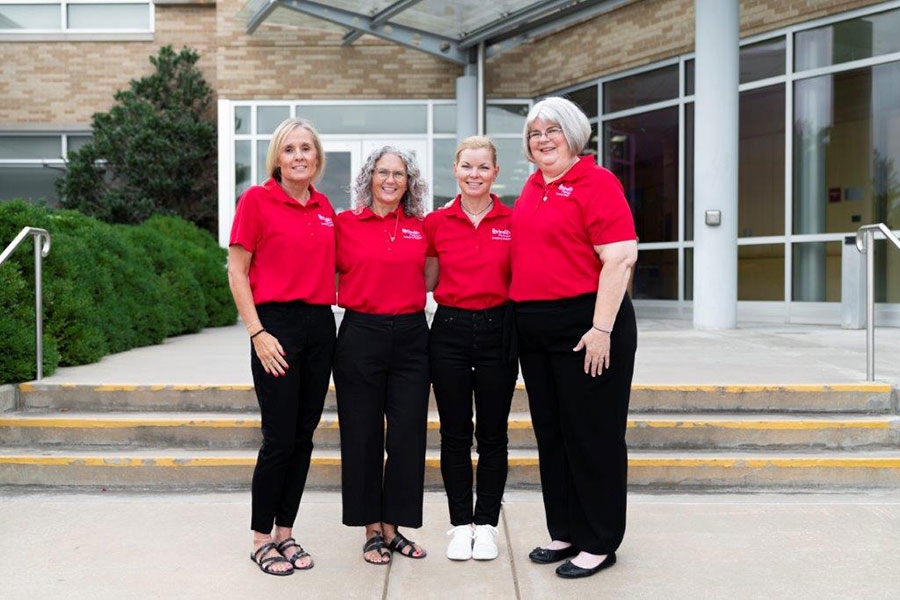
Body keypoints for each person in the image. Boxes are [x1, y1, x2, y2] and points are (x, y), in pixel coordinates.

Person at [511, 97, 638, 579]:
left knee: (593, 436)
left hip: (588, 326)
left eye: (552, 131)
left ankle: (600, 540)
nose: (542, 140)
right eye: (534, 133)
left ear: (573, 133)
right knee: (554, 436)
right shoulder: (531, 187)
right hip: (537, 331)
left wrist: (601, 329)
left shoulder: (596, 181)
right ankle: (565, 530)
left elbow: (620, 257)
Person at [227, 117, 336, 576]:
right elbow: (236, 270)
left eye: (306, 149)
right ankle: (260, 538)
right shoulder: (256, 200)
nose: (298, 157)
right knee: (278, 438)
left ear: (317, 157)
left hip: (319, 325)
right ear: (277, 157)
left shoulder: (325, 206)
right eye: (289, 149)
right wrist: (257, 331)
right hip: (275, 328)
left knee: (303, 438)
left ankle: (285, 533)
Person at [334, 145, 430, 565]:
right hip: (360, 334)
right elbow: (329, 272)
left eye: (399, 174)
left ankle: (395, 526)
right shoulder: (344, 224)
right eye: (382, 172)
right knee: (363, 434)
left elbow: (429, 277)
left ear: (410, 183)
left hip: (411, 336)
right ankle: (371, 528)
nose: (390, 180)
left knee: (408, 435)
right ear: (368, 177)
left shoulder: (420, 228)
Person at [423, 136, 517, 561]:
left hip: (499, 330)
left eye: (483, 167)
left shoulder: (515, 221)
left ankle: (488, 525)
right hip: (450, 332)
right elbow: (421, 278)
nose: (474, 174)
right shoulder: (436, 222)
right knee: (455, 434)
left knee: (493, 436)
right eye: (467, 166)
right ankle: (461, 524)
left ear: (495, 172)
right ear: (455, 170)